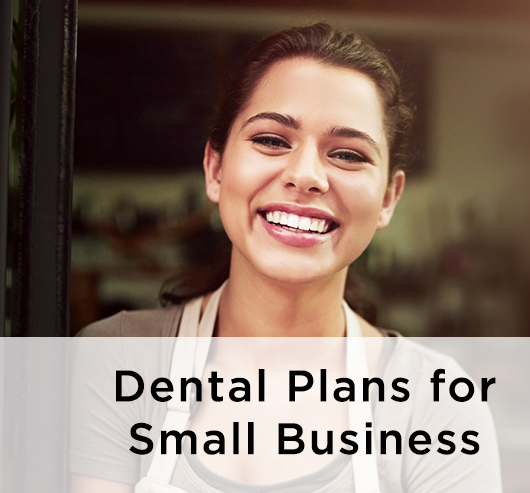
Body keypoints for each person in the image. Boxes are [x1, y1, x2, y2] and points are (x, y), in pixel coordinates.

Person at [69, 23, 501, 493]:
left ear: (388, 199)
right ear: (215, 168)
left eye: (348, 154)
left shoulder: (438, 408)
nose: (305, 175)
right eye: (272, 140)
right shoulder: (116, 360)